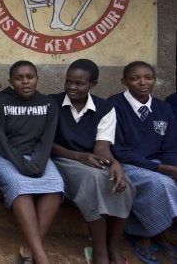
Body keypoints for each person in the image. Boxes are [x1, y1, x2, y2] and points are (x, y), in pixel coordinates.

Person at [49, 59, 133, 264]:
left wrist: (114, 163)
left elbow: (102, 148)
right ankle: (100, 251)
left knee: (124, 184)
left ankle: (113, 245)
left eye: (79, 83)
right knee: (93, 179)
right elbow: (46, 144)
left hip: (91, 159)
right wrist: (78, 156)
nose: (72, 87)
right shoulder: (52, 103)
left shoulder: (104, 108)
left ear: (93, 84)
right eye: (68, 82)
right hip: (62, 158)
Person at [0, 60, 63, 264]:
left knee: (56, 187)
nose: (25, 82)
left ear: (37, 79)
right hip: (5, 156)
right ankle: (41, 256)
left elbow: (46, 140)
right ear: (11, 81)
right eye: (19, 78)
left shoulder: (48, 104)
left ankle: (30, 248)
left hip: (39, 157)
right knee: (21, 187)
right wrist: (23, 164)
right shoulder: (1, 102)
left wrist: (37, 163)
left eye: (30, 77)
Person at [108, 61, 177, 264]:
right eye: (135, 78)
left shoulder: (163, 108)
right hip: (126, 164)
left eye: (148, 78)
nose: (143, 82)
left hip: (157, 163)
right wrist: (162, 169)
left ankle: (159, 232)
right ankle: (143, 235)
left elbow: (171, 147)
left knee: (170, 180)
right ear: (124, 81)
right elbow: (118, 150)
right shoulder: (114, 105)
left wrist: (172, 168)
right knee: (160, 184)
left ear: (155, 80)